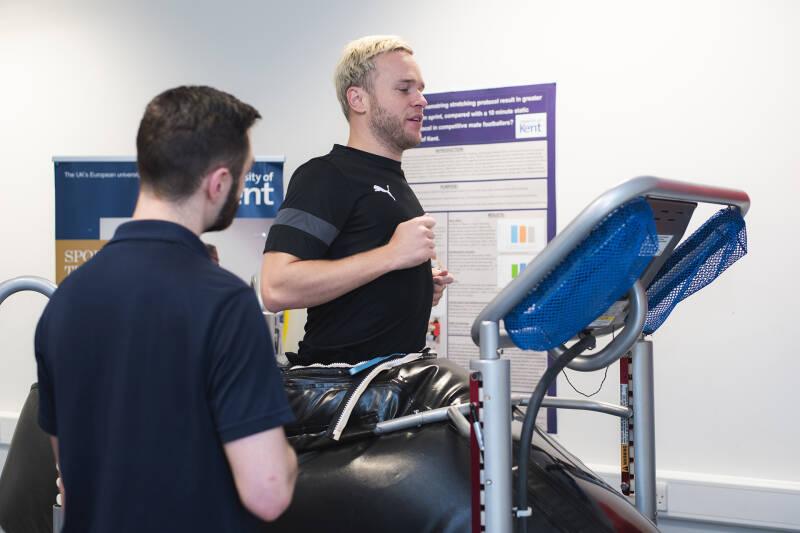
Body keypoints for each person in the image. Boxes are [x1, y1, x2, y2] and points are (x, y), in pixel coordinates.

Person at [34, 86, 297, 532]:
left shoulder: (65, 302)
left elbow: (72, 482)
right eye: (243, 175)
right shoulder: (227, 303)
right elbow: (268, 491)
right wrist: (290, 456)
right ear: (218, 183)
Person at [261, 35, 454, 366]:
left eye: (420, 88)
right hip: (344, 398)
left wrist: (416, 288)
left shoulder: (393, 180)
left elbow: (363, 281)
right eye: (404, 88)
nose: (421, 100)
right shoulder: (326, 175)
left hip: (393, 386)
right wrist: (392, 256)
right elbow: (276, 288)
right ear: (358, 99)